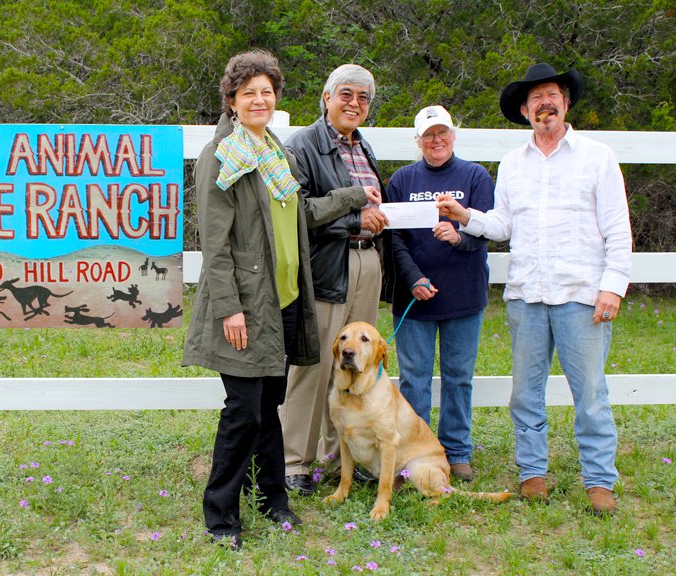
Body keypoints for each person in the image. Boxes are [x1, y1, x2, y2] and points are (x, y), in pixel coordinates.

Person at [182, 50, 381, 548]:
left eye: (267, 91)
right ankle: (221, 516)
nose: (259, 99)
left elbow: (302, 212)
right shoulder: (223, 156)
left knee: (269, 405)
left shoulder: (274, 152)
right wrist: (230, 307)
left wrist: (353, 195)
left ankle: (273, 500)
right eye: (249, 92)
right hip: (246, 305)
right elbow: (215, 240)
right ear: (232, 99)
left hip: (286, 300)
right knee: (243, 410)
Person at [436, 63, 632, 515]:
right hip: (527, 295)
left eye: (552, 95)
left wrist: (613, 287)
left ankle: (599, 481)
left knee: (591, 395)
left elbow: (618, 229)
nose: (545, 103)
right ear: (525, 111)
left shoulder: (596, 157)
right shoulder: (512, 163)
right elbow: (503, 224)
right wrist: (466, 218)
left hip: (581, 294)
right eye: (536, 98)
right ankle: (532, 474)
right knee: (525, 393)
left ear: (565, 102)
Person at [279, 64, 391, 496]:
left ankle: (341, 454)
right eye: (346, 94)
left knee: (355, 366)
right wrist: (354, 217)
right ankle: (294, 462)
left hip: (367, 263)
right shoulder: (302, 146)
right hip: (327, 265)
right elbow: (298, 211)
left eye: (363, 98)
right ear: (326, 98)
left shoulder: (364, 149)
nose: (354, 104)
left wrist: (376, 222)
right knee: (314, 366)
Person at [387, 105, 495, 483]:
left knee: (458, 376)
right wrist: (413, 277)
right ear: (418, 140)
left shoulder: (475, 176)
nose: (437, 140)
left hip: (464, 295)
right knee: (414, 378)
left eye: (443, 133)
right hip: (415, 297)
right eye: (429, 135)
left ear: (454, 135)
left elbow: (489, 228)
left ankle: (457, 450)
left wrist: (460, 237)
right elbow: (394, 238)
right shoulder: (402, 179)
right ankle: (413, 451)